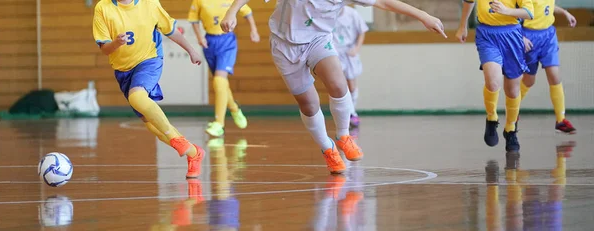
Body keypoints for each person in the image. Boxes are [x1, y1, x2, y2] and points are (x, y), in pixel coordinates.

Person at [221, 0, 446, 174]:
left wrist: (423, 16)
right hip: (285, 45)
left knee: (338, 84)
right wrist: (232, 12)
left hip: (319, 40)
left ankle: (343, 136)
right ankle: (328, 148)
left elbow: (383, 2)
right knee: (309, 104)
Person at [93, 0, 205, 178]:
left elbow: (171, 30)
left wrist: (191, 50)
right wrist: (116, 42)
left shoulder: (149, 3)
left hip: (149, 60)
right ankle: (194, 153)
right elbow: (105, 49)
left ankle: (177, 139)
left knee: (136, 97)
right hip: (123, 70)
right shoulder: (103, 8)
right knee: (152, 125)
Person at [456, 0, 535, 152]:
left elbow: (529, 13)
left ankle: (510, 129)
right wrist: (463, 25)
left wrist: (507, 11)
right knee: (493, 82)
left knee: (512, 90)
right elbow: (469, 1)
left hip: (512, 34)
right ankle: (492, 118)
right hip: (487, 35)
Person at [188, 0, 261, 137]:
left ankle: (219, 124)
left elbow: (247, 12)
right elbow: (193, 19)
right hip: (209, 41)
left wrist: (254, 30)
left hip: (227, 41)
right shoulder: (199, 1)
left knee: (219, 80)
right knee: (219, 82)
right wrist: (199, 37)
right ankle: (234, 108)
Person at [520, 2, 577, 134]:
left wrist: (565, 13)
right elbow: (512, 16)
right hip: (528, 37)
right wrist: (520, 36)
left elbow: (548, 6)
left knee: (555, 76)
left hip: (548, 36)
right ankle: (512, 107)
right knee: (529, 80)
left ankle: (560, 120)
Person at [334, 5, 369, 127]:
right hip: (334, 53)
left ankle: (351, 112)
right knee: (339, 86)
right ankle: (345, 114)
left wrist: (356, 48)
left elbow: (362, 31)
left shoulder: (352, 13)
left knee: (352, 85)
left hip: (349, 52)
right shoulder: (327, 13)